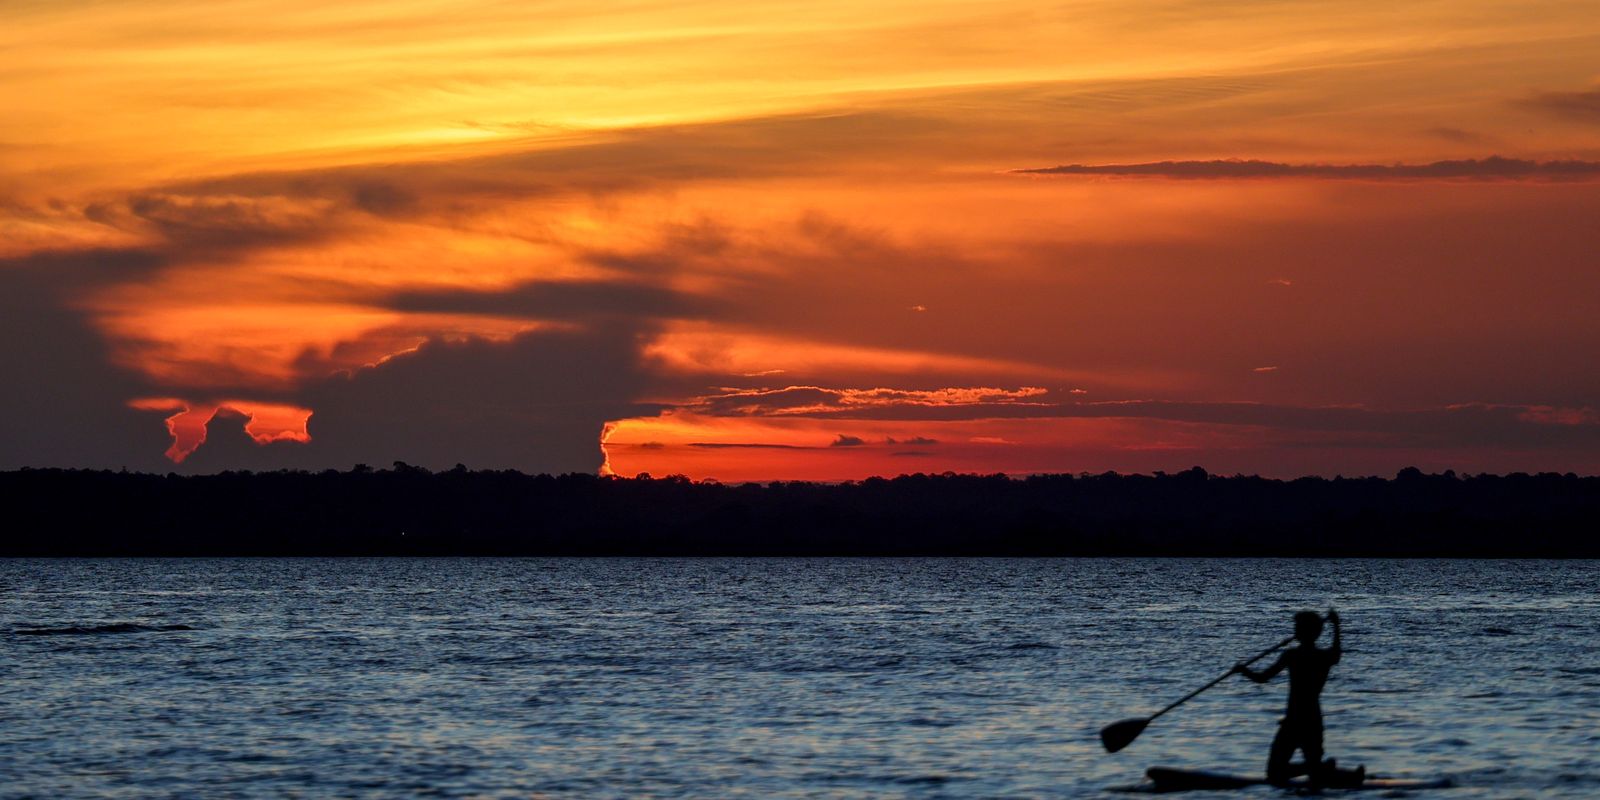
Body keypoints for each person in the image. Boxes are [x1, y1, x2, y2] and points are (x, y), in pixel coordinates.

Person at [1232, 609, 1356, 786]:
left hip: (1296, 721)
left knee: (1275, 774)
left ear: (1305, 632)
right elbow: (1336, 653)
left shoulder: (1293, 655)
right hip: (1309, 720)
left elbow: (1263, 678)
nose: (1295, 630)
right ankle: (1320, 768)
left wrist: (1243, 671)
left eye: (1298, 627)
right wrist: (1336, 626)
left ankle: (1321, 769)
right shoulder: (1321, 656)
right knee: (1305, 775)